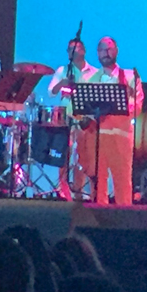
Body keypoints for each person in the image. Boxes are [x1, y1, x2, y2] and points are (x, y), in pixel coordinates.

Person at [82, 36, 144, 205]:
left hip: (120, 136)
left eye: (109, 48)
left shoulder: (130, 76)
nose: (106, 53)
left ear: (116, 51)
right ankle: (98, 217)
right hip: (97, 136)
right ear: (97, 53)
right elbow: (82, 109)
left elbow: (137, 106)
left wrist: (118, 106)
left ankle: (124, 217)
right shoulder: (90, 79)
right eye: (102, 49)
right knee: (97, 183)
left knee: (122, 182)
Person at [49, 38, 99, 199]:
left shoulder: (95, 73)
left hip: (85, 120)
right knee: (64, 155)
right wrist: (62, 83)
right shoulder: (63, 70)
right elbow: (51, 92)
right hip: (66, 118)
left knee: (83, 157)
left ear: (83, 50)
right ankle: (63, 190)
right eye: (69, 49)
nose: (71, 52)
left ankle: (79, 191)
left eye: (74, 48)